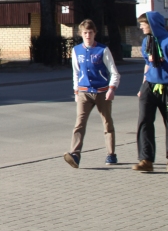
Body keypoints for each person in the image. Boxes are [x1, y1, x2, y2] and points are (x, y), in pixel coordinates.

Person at [64, 19, 120, 168]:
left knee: (107, 122)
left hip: (102, 92)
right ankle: (75, 154)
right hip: (84, 92)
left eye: (90, 32)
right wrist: (76, 91)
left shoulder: (102, 50)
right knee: (79, 124)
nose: (87, 35)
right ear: (81, 34)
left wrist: (111, 89)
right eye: (85, 33)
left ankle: (111, 154)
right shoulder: (77, 50)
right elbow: (76, 72)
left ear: (95, 33)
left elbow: (114, 72)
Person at [133, 11, 168, 172]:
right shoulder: (147, 41)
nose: (140, 27)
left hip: (166, 86)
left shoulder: (166, 41)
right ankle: (146, 160)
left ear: (152, 24)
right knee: (144, 121)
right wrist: (142, 86)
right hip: (150, 85)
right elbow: (147, 64)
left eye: (143, 24)